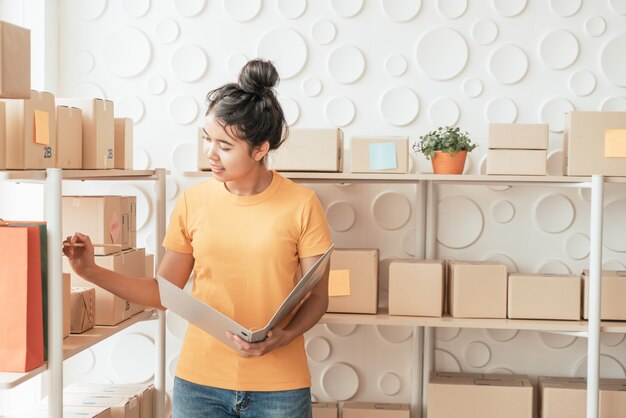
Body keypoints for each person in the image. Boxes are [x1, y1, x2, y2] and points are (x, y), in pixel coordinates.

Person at [63, 59, 333, 418]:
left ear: (260, 149)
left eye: (224, 145)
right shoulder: (194, 201)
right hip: (200, 383)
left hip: (279, 387)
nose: (210, 153)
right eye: (207, 138)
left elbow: (317, 296)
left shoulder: (302, 204)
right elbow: (162, 293)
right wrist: (90, 272)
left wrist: (286, 335)